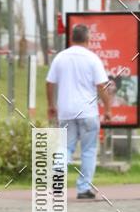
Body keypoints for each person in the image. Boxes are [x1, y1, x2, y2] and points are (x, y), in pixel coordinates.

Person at [46, 23, 112, 199]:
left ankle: (57, 186)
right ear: (88, 39)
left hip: (66, 112)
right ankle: (83, 189)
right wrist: (108, 109)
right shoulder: (92, 59)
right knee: (88, 150)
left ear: (71, 38)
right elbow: (101, 86)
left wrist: (51, 105)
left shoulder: (60, 58)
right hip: (88, 112)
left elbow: (49, 83)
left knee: (64, 148)